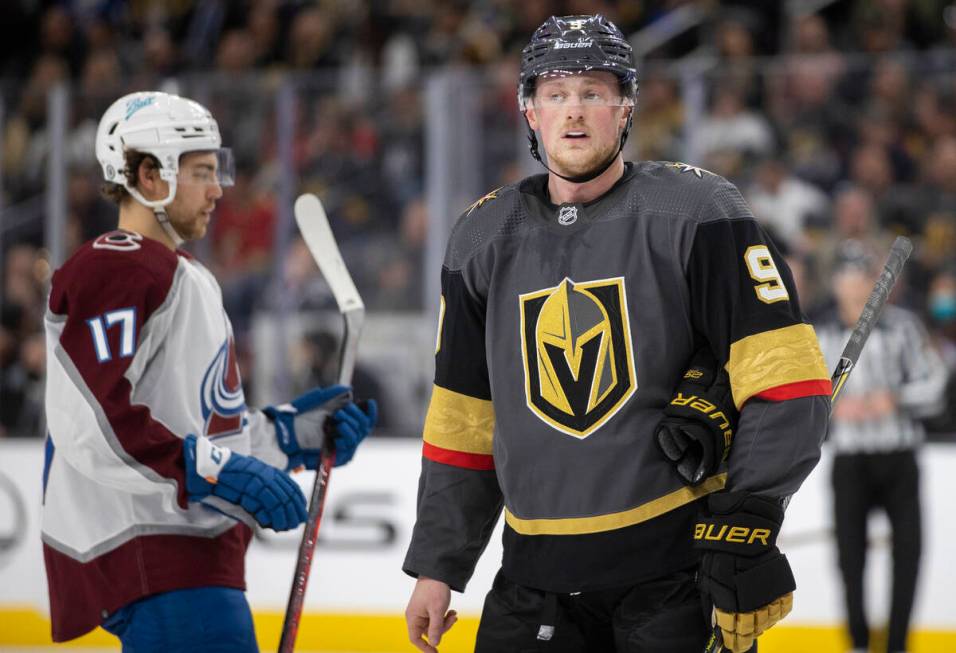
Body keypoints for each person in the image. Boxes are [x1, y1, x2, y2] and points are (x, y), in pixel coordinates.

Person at [402, 15, 831, 653]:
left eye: (594, 92)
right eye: (556, 93)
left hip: (673, 576)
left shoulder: (698, 212)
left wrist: (751, 516)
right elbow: (463, 416)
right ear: (529, 110)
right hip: (532, 579)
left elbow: (787, 380)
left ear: (625, 107)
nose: (574, 112)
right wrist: (440, 563)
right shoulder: (481, 236)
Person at [41, 92, 377, 651]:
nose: (219, 189)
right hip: (160, 560)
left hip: (191, 562)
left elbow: (203, 434)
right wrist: (216, 471)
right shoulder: (117, 265)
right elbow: (92, 421)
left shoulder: (182, 274)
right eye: (201, 172)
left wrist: (287, 434)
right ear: (149, 175)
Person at [815, 242, 947, 653]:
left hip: (899, 458)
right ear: (836, 283)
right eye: (849, 277)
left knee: (908, 553)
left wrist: (896, 399)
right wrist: (833, 409)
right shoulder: (820, 335)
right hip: (851, 461)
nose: (857, 286)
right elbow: (805, 399)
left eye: (865, 277)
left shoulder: (904, 328)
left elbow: (935, 383)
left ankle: (897, 645)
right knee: (849, 558)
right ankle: (857, 641)